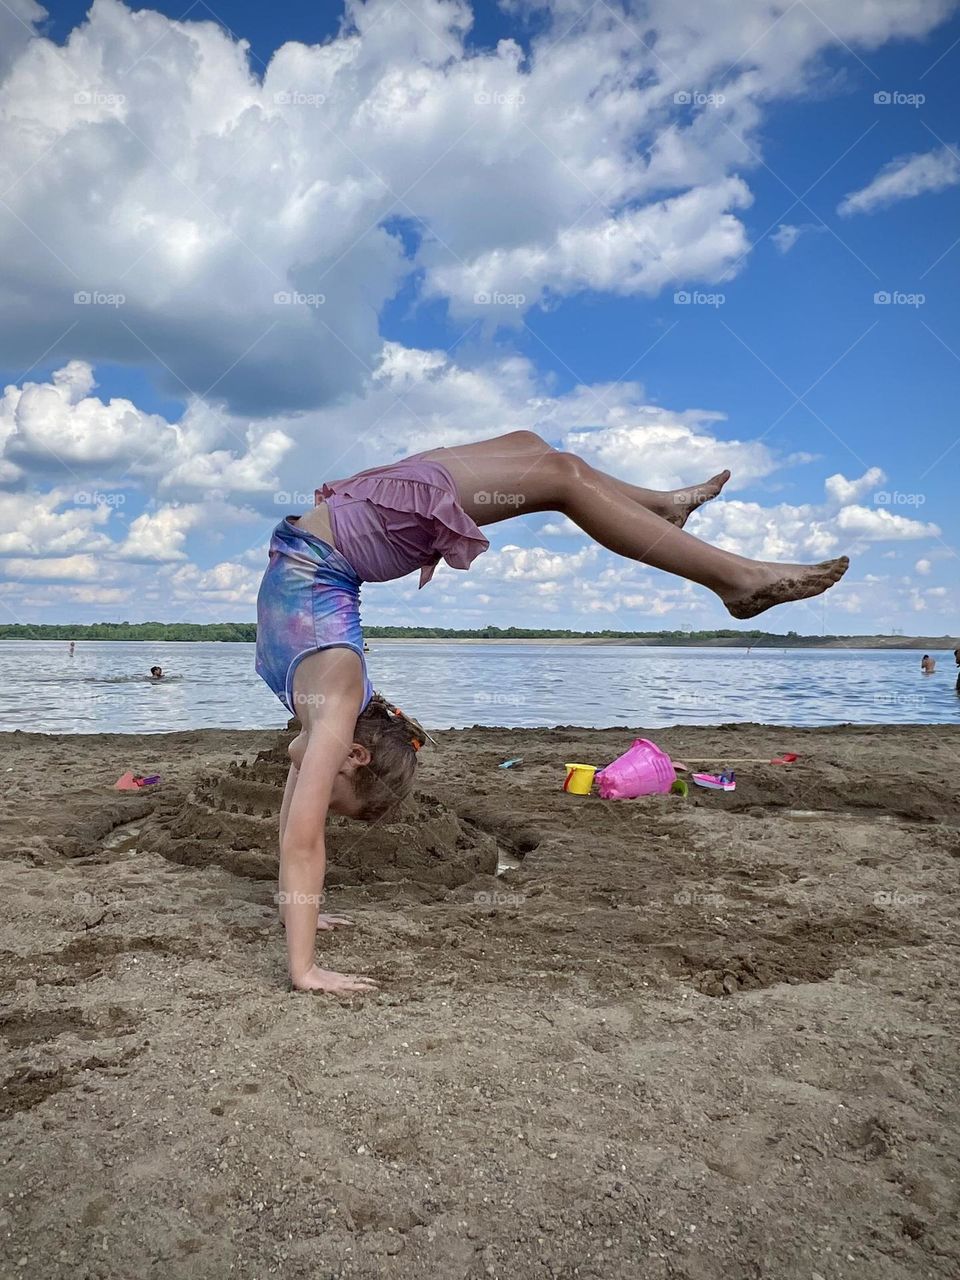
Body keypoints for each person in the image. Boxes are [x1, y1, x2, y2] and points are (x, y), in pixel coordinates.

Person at [254, 431, 850, 994]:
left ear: (355, 756)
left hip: (351, 528)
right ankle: (710, 554)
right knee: (555, 472)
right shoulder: (329, 709)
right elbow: (297, 823)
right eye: (324, 793)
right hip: (349, 528)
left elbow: (299, 840)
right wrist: (299, 916)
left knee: (539, 454)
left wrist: (303, 959)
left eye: (325, 793)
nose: (311, 791)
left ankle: (710, 557)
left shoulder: (333, 709)